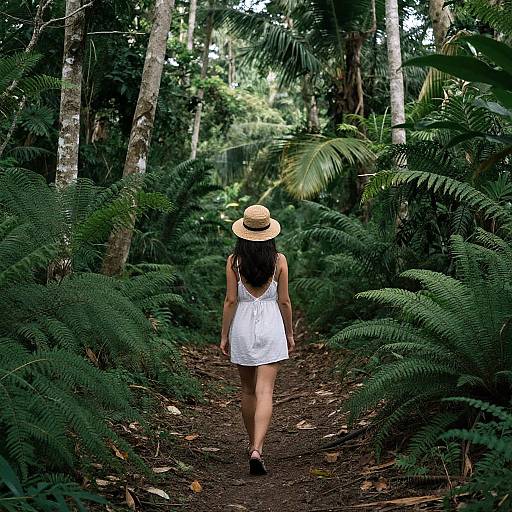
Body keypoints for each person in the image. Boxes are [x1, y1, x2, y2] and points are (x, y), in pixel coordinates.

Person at [220, 204, 295, 476]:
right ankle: (257, 449)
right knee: (266, 391)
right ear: (269, 232)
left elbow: (230, 301)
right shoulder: (280, 261)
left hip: (242, 325)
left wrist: (224, 334)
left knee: (247, 390)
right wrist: (289, 333)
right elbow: (284, 301)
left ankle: (251, 443)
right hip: (271, 325)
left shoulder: (233, 261)